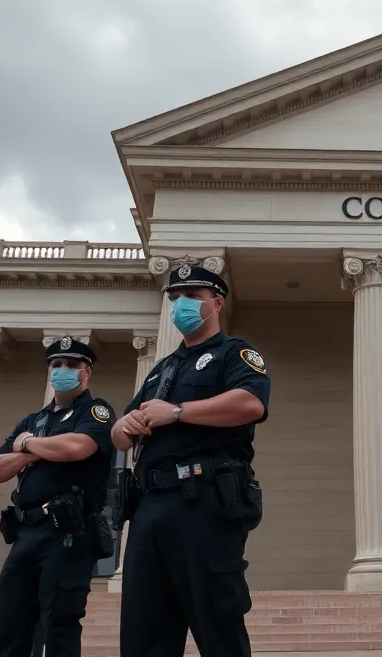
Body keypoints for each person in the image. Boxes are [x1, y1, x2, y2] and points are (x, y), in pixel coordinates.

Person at [113, 263, 269, 657]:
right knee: (144, 628)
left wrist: (178, 412)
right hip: (149, 506)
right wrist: (127, 424)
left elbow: (250, 403)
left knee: (217, 622)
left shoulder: (235, 353)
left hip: (203, 501)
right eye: (175, 298)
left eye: (192, 297)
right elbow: (117, 436)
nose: (181, 305)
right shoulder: (161, 368)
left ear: (215, 303)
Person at [0, 337, 116, 657]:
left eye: (72, 365)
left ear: (87, 373)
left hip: (68, 530)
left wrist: (28, 447)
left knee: (59, 623)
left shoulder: (95, 411)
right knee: (8, 624)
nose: (63, 371)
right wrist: (41, 450)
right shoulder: (32, 421)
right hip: (27, 531)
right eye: (57, 365)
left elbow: (76, 448)